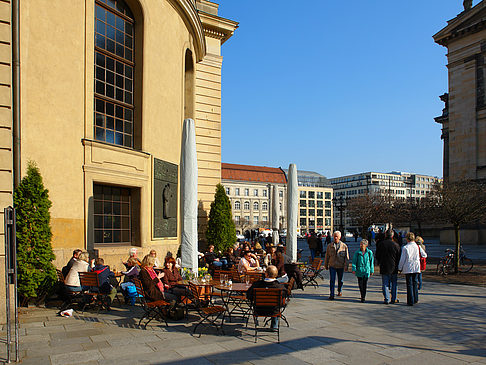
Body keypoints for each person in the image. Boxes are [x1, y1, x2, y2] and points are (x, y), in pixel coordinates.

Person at [246, 265, 286, 330]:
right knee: (276, 304)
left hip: (259, 310)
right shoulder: (280, 287)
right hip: (274, 311)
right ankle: (274, 326)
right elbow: (283, 299)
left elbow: (249, 295)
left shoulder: (257, 285)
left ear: (266, 274)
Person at [398, 232, 426, 306]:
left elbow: (402, 259)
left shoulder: (405, 247)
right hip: (416, 266)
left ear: (407, 239)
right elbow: (424, 255)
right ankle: (416, 298)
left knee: (409, 284)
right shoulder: (417, 246)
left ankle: (410, 300)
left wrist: (400, 268)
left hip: (408, 267)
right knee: (415, 282)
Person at [375, 229, 401, 304]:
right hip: (394, 266)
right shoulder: (396, 245)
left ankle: (387, 298)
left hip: (384, 265)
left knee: (385, 283)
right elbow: (399, 256)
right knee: (394, 283)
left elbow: (377, 255)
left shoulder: (381, 244)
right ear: (392, 235)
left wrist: (379, 262)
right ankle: (394, 298)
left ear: (386, 235)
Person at [324, 231, 349, 300]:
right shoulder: (330, 246)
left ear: (340, 237)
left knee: (340, 280)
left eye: (337, 236)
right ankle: (332, 294)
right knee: (332, 280)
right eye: (334, 236)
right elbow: (327, 256)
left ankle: (339, 290)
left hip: (340, 265)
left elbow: (346, 257)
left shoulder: (344, 246)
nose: (335, 238)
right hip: (332, 265)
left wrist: (346, 266)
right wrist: (326, 264)